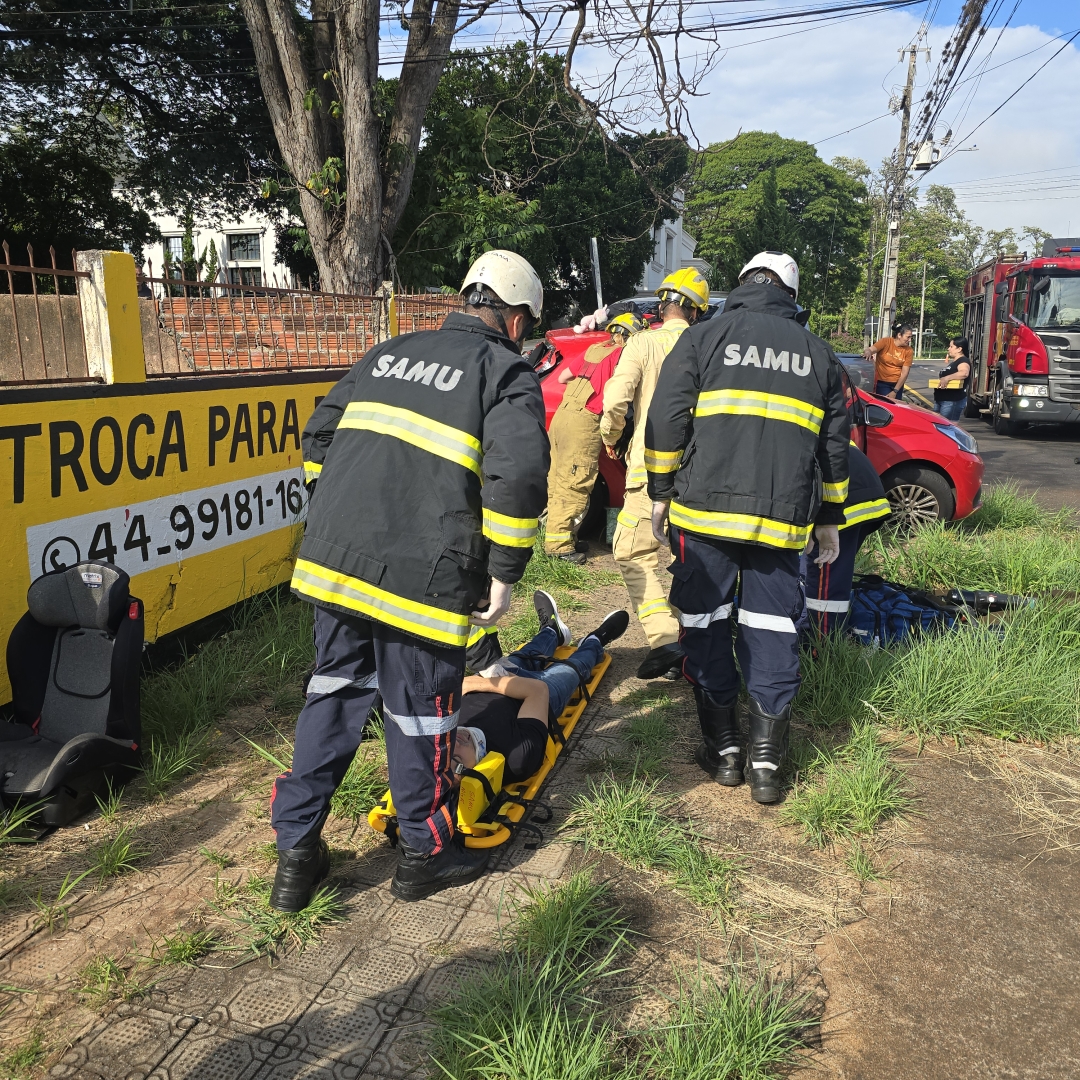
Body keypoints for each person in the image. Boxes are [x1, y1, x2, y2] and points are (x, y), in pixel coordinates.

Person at [270, 249, 550, 910]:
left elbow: (318, 436)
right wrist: (504, 571)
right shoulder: (503, 371)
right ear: (514, 320)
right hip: (420, 578)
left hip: (336, 564)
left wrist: (346, 514)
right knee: (421, 714)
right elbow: (518, 477)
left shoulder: (389, 352)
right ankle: (423, 857)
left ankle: (295, 860)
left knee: (332, 697)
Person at [645, 251, 850, 805]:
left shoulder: (704, 337)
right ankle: (766, 764)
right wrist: (829, 518)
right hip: (781, 522)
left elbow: (667, 416)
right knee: (772, 629)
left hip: (703, 515)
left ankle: (725, 749)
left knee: (704, 619)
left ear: (740, 286)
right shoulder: (821, 355)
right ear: (791, 292)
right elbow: (835, 449)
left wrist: (660, 492)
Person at [601, 268, 711, 681]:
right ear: (697, 312)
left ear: (662, 303)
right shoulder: (709, 345)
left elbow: (616, 399)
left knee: (633, 552)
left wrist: (611, 436)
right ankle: (699, 643)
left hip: (649, 471)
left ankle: (666, 641)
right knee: (696, 560)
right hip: (701, 473)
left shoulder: (643, 342)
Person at [455, 591, 630, 781]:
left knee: (525, 654)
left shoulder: (437, 735)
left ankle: (552, 631)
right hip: (535, 695)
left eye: (444, 751)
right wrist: (474, 682)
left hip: (495, 679)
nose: (454, 744)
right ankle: (595, 641)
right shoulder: (515, 759)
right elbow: (537, 691)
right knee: (573, 668)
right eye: (458, 759)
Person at [545, 312, 646, 564]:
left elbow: (562, 377)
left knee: (557, 478)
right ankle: (558, 547)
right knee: (576, 482)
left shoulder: (594, 349)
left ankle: (561, 535)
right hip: (585, 421)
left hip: (561, 416)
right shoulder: (624, 356)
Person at [802, 445, 891, 635]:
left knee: (821, 586)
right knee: (826, 577)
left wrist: (810, 526)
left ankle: (821, 645)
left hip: (840, 500)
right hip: (862, 489)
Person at [866, 323, 914, 401]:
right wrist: (868, 352)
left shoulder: (909, 351)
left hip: (897, 385)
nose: (910, 340)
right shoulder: (886, 342)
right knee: (885, 405)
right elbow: (871, 349)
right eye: (908, 337)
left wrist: (895, 391)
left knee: (896, 408)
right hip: (882, 383)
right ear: (899, 335)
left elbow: (905, 373)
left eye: (911, 337)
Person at [932, 336, 971, 422]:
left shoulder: (963, 361)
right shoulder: (955, 362)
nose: (948, 349)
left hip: (951, 401)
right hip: (942, 400)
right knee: (937, 426)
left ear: (959, 349)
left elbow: (964, 373)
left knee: (947, 428)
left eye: (951, 346)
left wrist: (947, 378)